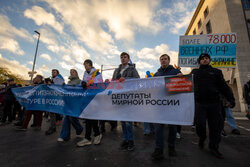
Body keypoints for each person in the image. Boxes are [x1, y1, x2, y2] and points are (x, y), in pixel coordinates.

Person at [191, 53, 235, 159]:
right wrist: (179, 76)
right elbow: (186, 82)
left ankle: (214, 147)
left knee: (215, 127)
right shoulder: (195, 72)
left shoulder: (216, 72)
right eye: (203, 59)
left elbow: (224, 87)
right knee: (200, 125)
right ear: (199, 61)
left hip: (214, 104)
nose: (205, 60)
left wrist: (231, 100)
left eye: (207, 58)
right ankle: (202, 138)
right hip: (200, 103)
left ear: (209, 60)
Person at [151, 54, 182, 160]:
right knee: (158, 128)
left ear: (169, 61)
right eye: (161, 59)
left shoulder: (175, 72)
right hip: (159, 105)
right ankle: (159, 149)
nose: (163, 61)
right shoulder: (156, 74)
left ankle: (171, 147)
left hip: (172, 105)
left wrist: (181, 77)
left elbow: (182, 83)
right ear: (160, 61)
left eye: (165, 59)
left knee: (172, 128)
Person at [112, 52, 140, 151]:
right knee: (122, 121)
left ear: (128, 59)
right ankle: (125, 140)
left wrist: (126, 79)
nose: (123, 59)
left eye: (125, 57)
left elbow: (138, 80)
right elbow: (113, 81)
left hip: (128, 97)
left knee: (128, 121)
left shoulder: (132, 69)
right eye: (121, 57)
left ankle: (131, 141)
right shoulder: (116, 70)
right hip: (119, 98)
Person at [77, 59, 103, 147]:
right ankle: (87, 138)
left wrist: (91, 84)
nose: (85, 67)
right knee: (87, 118)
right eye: (84, 65)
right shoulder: (85, 73)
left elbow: (100, 84)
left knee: (93, 118)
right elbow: (83, 81)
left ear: (91, 65)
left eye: (86, 65)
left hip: (94, 98)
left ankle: (97, 135)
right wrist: (83, 83)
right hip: (87, 98)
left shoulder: (97, 73)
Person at [57, 69, 83, 142]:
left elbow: (81, 91)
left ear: (76, 73)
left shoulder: (80, 81)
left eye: (73, 72)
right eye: (70, 72)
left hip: (75, 103)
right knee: (67, 118)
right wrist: (63, 87)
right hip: (68, 102)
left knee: (72, 118)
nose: (71, 73)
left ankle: (79, 128)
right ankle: (64, 136)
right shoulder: (68, 82)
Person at [45, 69, 65, 135]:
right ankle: (52, 127)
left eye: (54, 72)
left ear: (57, 73)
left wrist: (50, 84)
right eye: (52, 72)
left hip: (56, 98)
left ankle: (53, 128)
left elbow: (57, 87)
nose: (52, 73)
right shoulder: (54, 79)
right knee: (52, 113)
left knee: (53, 113)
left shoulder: (58, 78)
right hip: (53, 98)